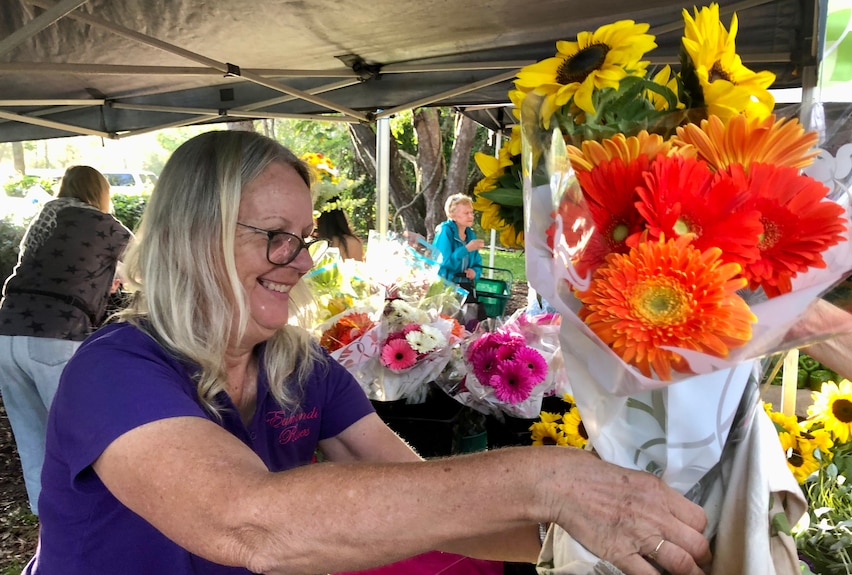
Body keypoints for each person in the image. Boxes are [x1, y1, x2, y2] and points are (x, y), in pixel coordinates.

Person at [24, 130, 711, 575]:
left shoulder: (296, 366)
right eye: (275, 236)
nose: (298, 262)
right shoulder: (115, 368)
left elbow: (423, 500)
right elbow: (247, 521)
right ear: (193, 234)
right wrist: (546, 480)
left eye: (304, 237)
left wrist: (600, 544)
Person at [0, 165, 132, 515]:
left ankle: (49, 523)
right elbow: (146, 270)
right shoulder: (106, 226)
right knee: (80, 433)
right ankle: (92, 516)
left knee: (33, 441)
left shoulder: (45, 218)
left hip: (7, 329)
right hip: (57, 333)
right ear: (101, 192)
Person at [433, 194, 484, 284]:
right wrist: (466, 249)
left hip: (466, 285)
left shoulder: (470, 234)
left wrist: (475, 272)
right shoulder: (445, 231)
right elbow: (444, 262)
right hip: (445, 285)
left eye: (471, 212)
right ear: (453, 215)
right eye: (466, 213)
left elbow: (477, 262)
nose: (471, 216)